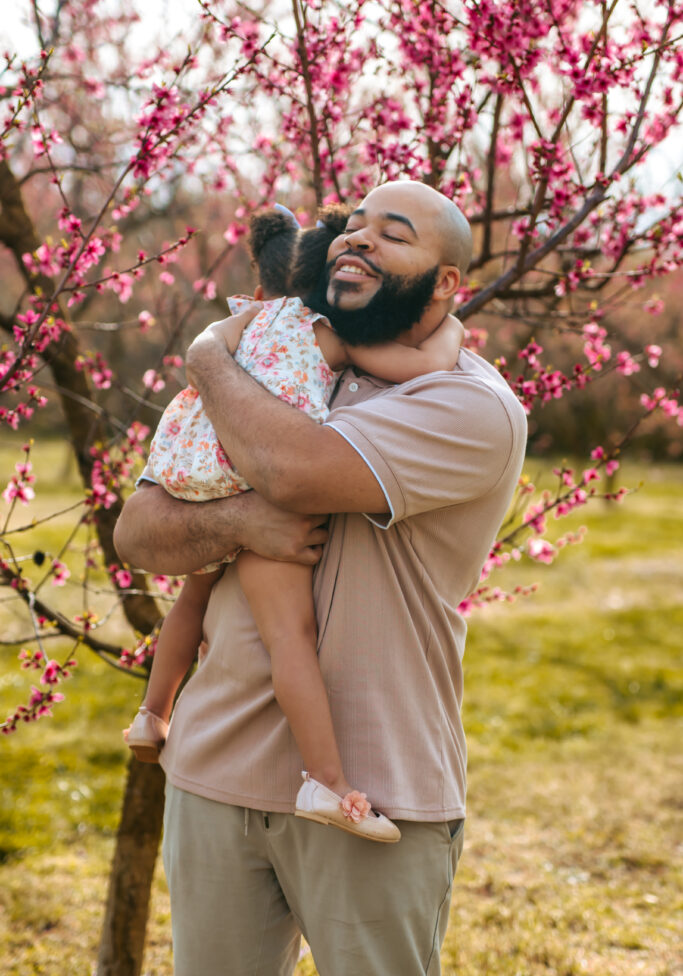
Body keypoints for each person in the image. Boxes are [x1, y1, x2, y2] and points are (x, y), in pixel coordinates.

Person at [114, 180, 528, 976]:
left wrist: (206, 354)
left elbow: (293, 470)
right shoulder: (269, 367)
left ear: (447, 283)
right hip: (214, 771)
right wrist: (235, 520)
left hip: (373, 788)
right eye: (353, 226)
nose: (358, 240)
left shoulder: (467, 405)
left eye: (394, 234)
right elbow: (139, 531)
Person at [123, 203, 464, 845]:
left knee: (192, 597)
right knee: (290, 636)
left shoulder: (244, 321)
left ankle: (150, 714)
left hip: (192, 466)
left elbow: (205, 356)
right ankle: (328, 781)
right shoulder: (324, 331)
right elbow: (423, 368)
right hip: (256, 478)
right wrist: (454, 335)